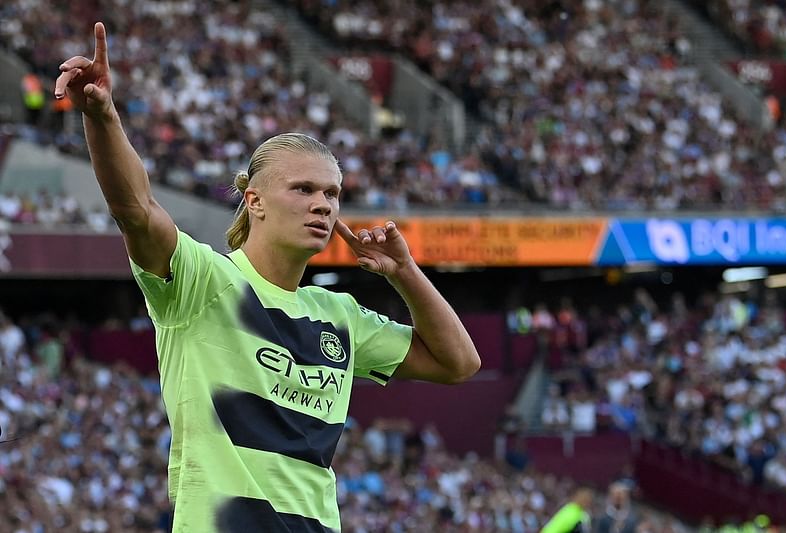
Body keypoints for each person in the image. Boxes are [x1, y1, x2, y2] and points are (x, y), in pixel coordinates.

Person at [54, 22, 481, 533]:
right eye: (303, 189)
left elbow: (459, 363)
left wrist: (406, 274)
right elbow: (137, 209)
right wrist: (102, 116)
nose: (322, 204)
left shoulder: (339, 316)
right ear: (254, 201)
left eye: (332, 193)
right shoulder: (204, 283)